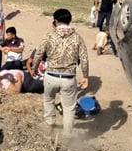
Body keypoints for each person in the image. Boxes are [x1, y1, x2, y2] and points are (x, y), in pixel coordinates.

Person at [32, 8, 89, 137]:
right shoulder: (77, 38)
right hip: (69, 78)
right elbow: (84, 58)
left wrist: (34, 69)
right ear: (69, 21)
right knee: (69, 108)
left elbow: (39, 54)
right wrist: (85, 76)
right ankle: (67, 134)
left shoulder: (49, 36)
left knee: (49, 100)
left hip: (51, 75)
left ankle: (50, 125)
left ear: (55, 21)